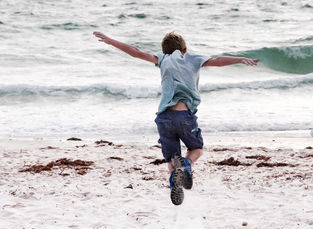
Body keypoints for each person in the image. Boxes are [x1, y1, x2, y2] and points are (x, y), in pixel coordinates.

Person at [93, 31, 259, 205]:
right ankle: (186, 165)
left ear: (164, 50)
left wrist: (111, 41)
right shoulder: (193, 58)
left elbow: (135, 51)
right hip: (184, 116)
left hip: (164, 118)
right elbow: (218, 61)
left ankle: (175, 185)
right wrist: (240, 59)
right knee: (196, 149)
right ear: (184, 49)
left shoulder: (162, 59)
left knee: (172, 160)